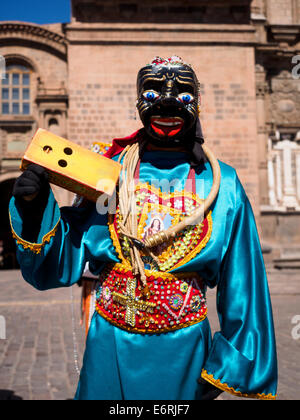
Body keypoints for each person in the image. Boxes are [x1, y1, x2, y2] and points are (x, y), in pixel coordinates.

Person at [9, 56, 277, 400]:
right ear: (138, 99)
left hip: (185, 349)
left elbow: (244, 281)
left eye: (182, 94)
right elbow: (66, 252)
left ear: (197, 102)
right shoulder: (108, 172)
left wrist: (229, 363)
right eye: (152, 92)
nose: (166, 102)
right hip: (110, 341)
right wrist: (33, 210)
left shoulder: (222, 184)